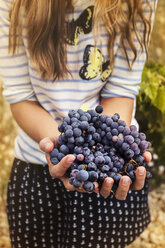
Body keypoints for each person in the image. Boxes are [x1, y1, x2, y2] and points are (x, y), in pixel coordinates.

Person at [0, 0, 157, 247]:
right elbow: (20, 97)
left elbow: (121, 91)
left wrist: (105, 151)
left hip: (109, 173)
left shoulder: (136, 2)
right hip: (38, 166)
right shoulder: (15, 4)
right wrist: (59, 149)